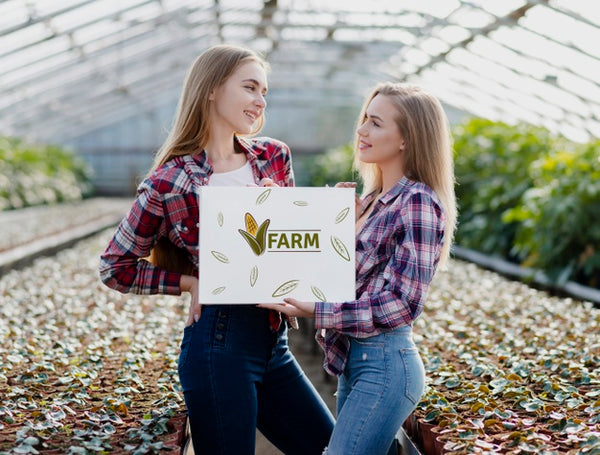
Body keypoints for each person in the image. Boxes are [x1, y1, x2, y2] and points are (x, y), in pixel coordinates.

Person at [99, 44, 334, 455]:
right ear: (212, 89)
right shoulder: (170, 181)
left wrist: (327, 215)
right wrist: (189, 281)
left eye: (264, 91)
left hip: (274, 343)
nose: (260, 100)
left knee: (331, 447)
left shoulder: (274, 157)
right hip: (218, 345)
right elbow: (115, 267)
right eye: (250, 87)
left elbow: (288, 254)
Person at [260, 82, 457, 455]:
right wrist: (284, 210)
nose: (361, 130)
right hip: (357, 362)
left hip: (385, 365)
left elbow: (400, 304)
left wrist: (315, 309)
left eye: (376, 123)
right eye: (364, 118)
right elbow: (331, 274)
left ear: (406, 139)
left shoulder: (417, 202)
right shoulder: (371, 202)